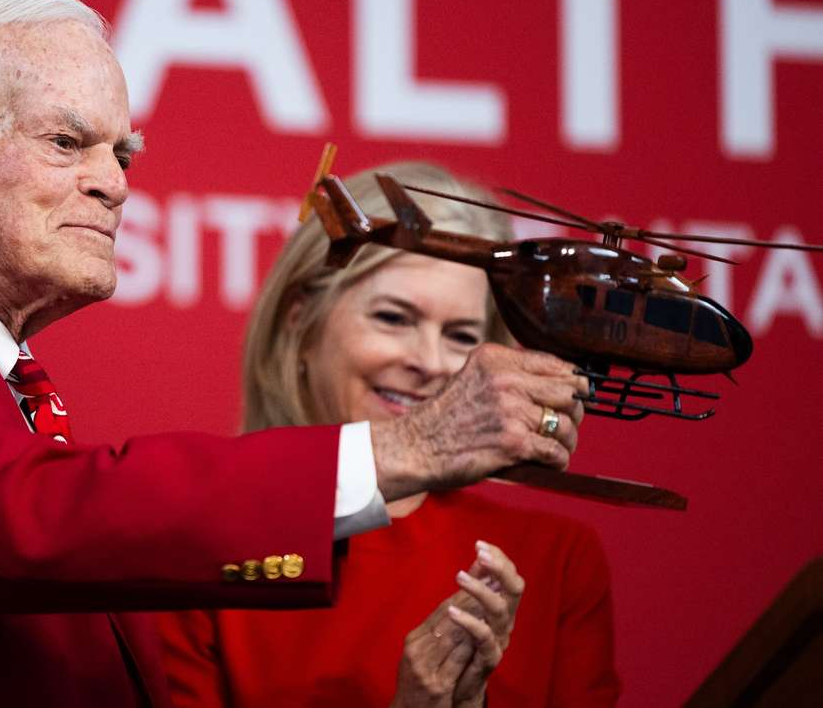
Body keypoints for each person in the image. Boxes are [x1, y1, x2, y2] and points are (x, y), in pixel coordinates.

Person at [0, 0, 587, 706]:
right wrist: (408, 449)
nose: (115, 184)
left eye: (123, 152)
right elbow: (33, 522)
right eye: (67, 142)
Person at [159, 162, 621, 706]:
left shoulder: (555, 562)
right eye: (395, 319)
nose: (429, 362)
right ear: (299, 322)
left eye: (461, 335)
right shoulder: (200, 538)